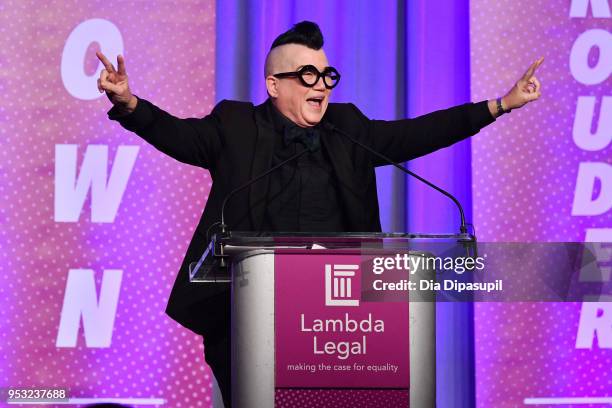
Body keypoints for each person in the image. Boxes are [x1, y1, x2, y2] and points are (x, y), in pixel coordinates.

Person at [96, 21, 542, 407]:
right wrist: (129, 103)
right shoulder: (234, 126)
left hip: (343, 322)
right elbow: (179, 136)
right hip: (249, 316)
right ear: (274, 84)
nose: (321, 85)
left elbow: (416, 134)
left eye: (327, 75)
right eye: (307, 75)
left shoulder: (348, 129)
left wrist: (497, 106)